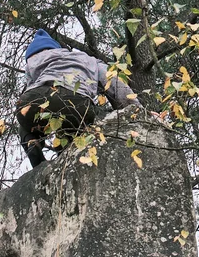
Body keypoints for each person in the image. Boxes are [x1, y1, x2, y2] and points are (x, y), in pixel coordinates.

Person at [15, 29, 133, 167]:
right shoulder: (87, 59)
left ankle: (35, 155)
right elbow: (114, 82)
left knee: (26, 124)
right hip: (76, 101)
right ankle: (64, 160)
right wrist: (136, 110)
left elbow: (32, 88)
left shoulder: (31, 61)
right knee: (69, 126)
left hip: (31, 100)